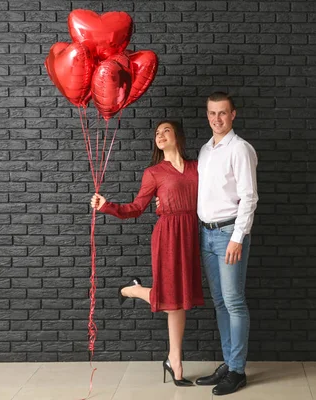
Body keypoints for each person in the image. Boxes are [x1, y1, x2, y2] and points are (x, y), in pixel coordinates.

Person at [90, 120, 204, 387]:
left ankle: (173, 359)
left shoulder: (198, 167)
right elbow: (137, 208)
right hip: (167, 235)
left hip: (190, 233)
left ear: (178, 135)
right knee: (172, 298)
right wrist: (107, 206)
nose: (160, 135)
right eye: (156, 133)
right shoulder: (154, 172)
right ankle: (132, 292)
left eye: (166, 130)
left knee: (180, 299)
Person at [194, 92, 258, 396]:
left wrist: (237, 238)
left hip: (229, 235)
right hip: (205, 234)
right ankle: (229, 361)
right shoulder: (206, 150)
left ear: (233, 114)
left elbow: (249, 197)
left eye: (222, 113)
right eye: (211, 113)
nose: (216, 119)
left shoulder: (240, 149)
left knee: (234, 302)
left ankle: (237, 370)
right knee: (220, 303)